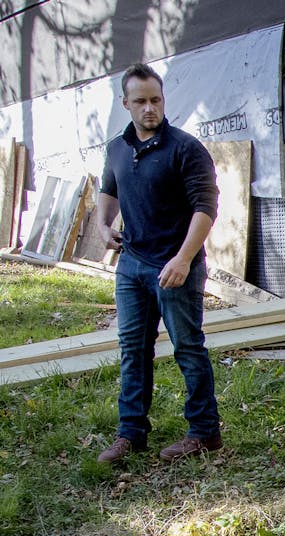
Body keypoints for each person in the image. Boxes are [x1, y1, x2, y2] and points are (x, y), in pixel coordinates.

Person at [95, 63, 222, 464]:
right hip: (131, 266)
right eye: (141, 101)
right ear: (125, 103)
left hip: (174, 266)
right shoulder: (117, 147)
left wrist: (184, 259)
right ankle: (130, 433)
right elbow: (108, 187)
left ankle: (204, 432)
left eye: (156, 100)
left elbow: (206, 207)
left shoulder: (185, 148)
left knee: (187, 347)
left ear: (163, 99)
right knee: (133, 349)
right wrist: (101, 225)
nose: (150, 108)